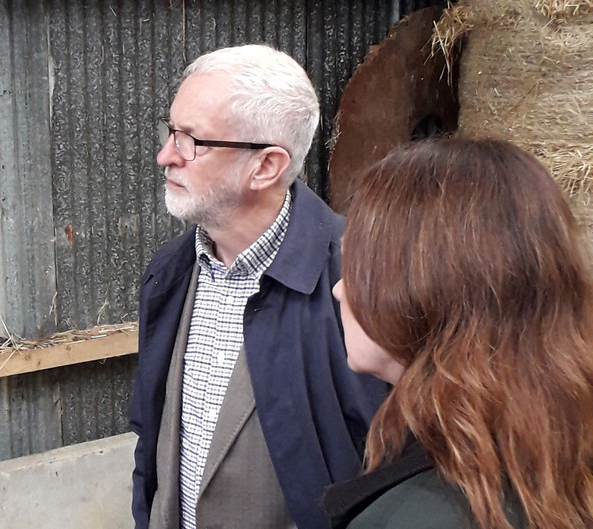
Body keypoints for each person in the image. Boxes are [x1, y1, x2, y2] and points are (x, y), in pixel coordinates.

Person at [129, 44, 386, 529]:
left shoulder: (360, 283)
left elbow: (388, 476)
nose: (166, 155)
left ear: (266, 166)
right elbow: (153, 444)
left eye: (191, 140)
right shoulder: (170, 273)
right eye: (170, 131)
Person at [322, 138, 593, 529]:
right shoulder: (553, 458)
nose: (339, 289)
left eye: (358, 267)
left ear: (420, 287)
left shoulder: (420, 514)